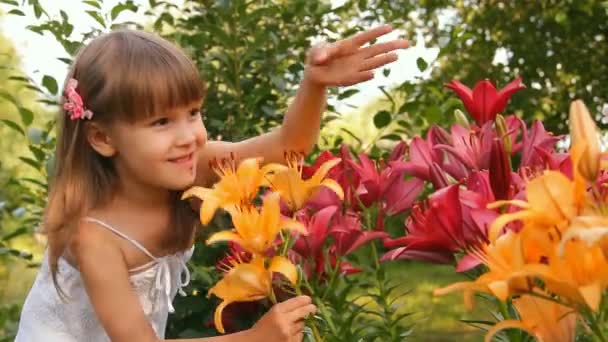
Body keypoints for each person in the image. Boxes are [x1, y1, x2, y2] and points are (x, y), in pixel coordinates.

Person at [15, 25, 407, 342]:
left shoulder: (194, 164)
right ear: (102, 138)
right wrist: (256, 339)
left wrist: (314, 84)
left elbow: (288, 147)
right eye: (161, 122)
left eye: (192, 112)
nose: (189, 135)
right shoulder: (94, 237)